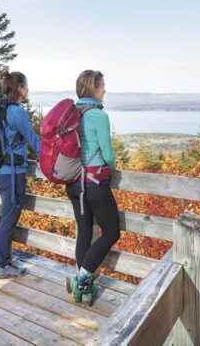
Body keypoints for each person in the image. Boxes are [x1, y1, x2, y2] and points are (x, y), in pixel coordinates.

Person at [0, 71, 41, 278]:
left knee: (6, 217)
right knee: (9, 219)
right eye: (26, 86)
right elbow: (33, 140)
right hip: (13, 174)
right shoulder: (17, 112)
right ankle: (2, 265)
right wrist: (52, 158)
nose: (28, 90)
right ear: (21, 89)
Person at [66, 70, 120, 298]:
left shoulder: (72, 113)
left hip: (74, 182)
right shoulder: (98, 116)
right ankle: (83, 279)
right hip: (95, 183)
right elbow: (107, 154)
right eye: (102, 86)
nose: (105, 90)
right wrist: (113, 167)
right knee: (111, 232)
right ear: (93, 88)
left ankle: (83, 289)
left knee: (85, 232)